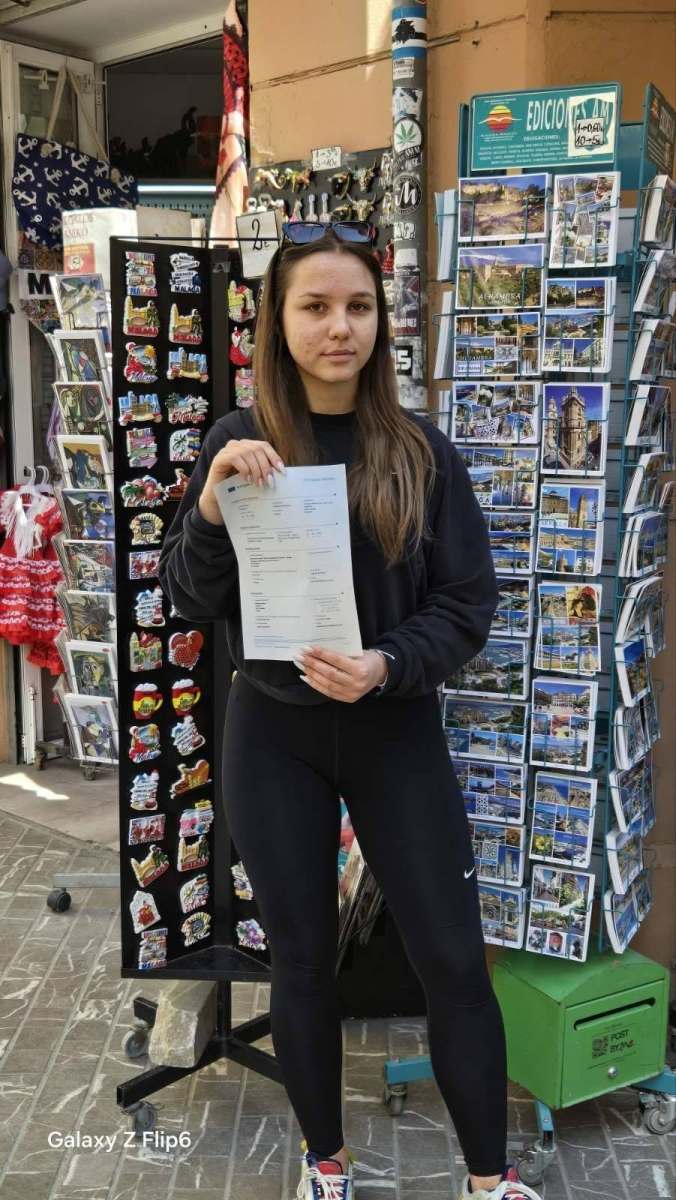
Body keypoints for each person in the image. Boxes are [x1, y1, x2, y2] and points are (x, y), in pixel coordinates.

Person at [159, 222, 540, 1200]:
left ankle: (488, 1179)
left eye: (358, 306)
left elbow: (467, 603)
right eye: (316, 306)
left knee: (451, 959)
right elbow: (189, 600)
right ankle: (324, 1162)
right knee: (299, 961)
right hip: (271, 733)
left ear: (381, 321)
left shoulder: (418, 452)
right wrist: (210, 511)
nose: (340, 328)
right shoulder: (237, 445)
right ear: (277, 322)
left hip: (392, 731)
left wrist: (387, 662)